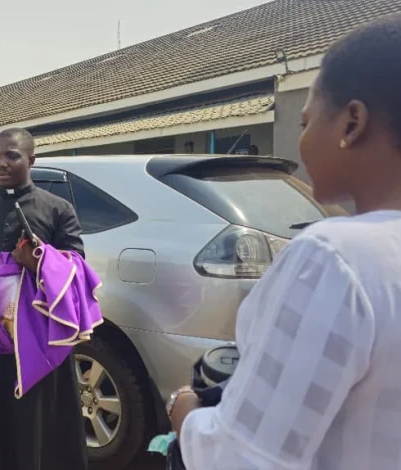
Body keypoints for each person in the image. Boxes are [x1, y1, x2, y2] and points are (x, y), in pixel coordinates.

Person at [168, 15, 401, 469]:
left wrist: (185, 413)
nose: (302, 143)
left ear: (352, 123)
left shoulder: (335, 258)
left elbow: (243, 459)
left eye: (306, 121)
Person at [0, 128, 88, 470]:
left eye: (11, 156)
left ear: (31, 160)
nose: (1, 163)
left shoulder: (58, 210)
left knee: (36, 417)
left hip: (38, 338)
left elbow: (76, 271)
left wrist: (39, 261)